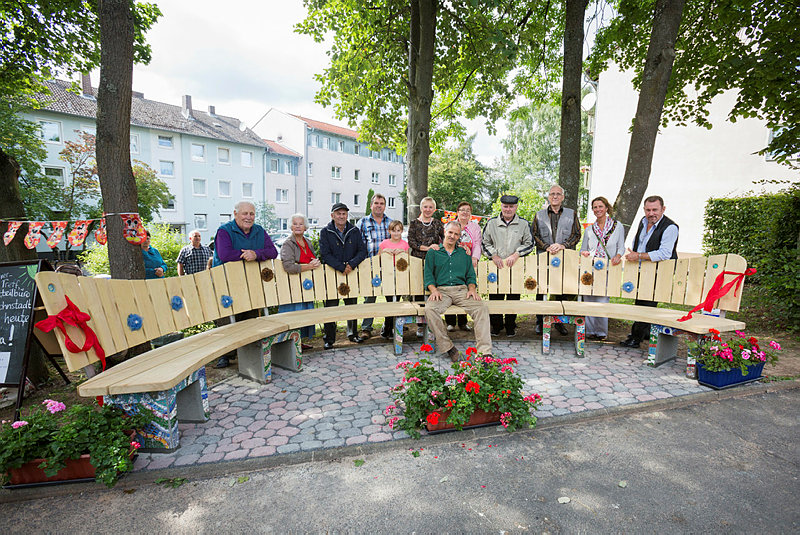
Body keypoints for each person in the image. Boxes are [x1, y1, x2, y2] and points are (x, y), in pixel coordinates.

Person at [212, 200, 278, 367]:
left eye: (252, 214)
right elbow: (225, 254)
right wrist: (245, 255)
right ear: (235, 214)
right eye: (245, 213)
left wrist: (255, 254)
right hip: (226, 283)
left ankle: (249, 352)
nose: (248, 217)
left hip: (250, 282)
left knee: (249, 318)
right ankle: (225, 354)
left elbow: (273, 251)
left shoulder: (259, 230)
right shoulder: (224, 231)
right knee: (228, 318)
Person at [424, 221, 493, 361]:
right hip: (441, 291)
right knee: (430, 309)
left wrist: (472, 289)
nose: (452, 236)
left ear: (459, 237)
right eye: (450, 232)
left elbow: (470, 275)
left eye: (456, 234)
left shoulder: (464, 253)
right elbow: (428, 275)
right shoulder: (433, 252)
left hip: (462, 290)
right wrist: (433, 290)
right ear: (445, 232)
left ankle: (485, 353)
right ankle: (448, 348)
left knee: (481, 308)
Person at [620, 195, 679, 349]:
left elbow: (665, 253)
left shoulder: (670, 227)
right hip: (643, 269)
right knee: (640, 301)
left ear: (663, 209)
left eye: (655, 210)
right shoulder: (643, 221)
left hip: (658, 271)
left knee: (646, 303)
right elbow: (639, 240)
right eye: (648, 210)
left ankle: (635, 338)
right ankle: (645, 333)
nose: (651, 213)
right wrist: (635, 251)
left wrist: (638, 256)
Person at [532, 184, 583, 335]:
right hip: (544, 258)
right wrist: (547, 246)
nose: (555, 196)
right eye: (552, 194)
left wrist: (563, 245)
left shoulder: (571, 213)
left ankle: (559, 322)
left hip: (564, 258)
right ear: (548, 196)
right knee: (541, 290)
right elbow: (534, 234)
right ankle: (540, 322)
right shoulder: (539, 214)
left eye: (558, 194)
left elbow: (577, 234)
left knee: (562, 289)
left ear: (562, 197)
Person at [482, 194, 534, 337]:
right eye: (505, 206)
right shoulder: (491, 223)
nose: (508, 209)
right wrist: (493, 255)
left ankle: (511, 326)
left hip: (515, 267)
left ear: (516, 207)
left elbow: (529, 243)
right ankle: (496, 326)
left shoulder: (523, 224)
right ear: (501, 206)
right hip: (496, 267)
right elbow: (484, 243)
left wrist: (516, 254)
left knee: (513, 297)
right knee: (495, 296)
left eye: (511, 206)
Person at [319, 202, 368, 350]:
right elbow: (325, 254)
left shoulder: (354, 230)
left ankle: (353, 334)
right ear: (332, 215)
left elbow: (362, 251)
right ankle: (329, 338)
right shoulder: (326, 232)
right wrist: (341, 267)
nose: (341, 216)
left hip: (351, 273)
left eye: (344, 213)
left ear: (347, 215)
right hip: (333, 273)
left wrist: (351, 265)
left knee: (352, 305)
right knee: (331, 307)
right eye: (338, 213)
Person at [580, 196, 626, 340]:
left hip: (608, 267)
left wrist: (618, 256)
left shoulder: (617, 226)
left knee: (602, 299)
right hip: (591, 267)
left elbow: (621, 246)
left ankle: (601, 332)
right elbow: (583, 248)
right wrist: (584, 253)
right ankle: (589, 331)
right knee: (588, 298)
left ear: (607, 208)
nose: (598, 209)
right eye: (595, 207)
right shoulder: (590, 229)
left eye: (600, 206)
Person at [279, 213, 322, 350]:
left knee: (305, 313)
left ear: (305, 227)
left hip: (306, 286)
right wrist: (310, 266)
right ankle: (289, 344)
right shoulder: (288, 244)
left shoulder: (308, 242)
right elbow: (288, 266)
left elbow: (311, 258)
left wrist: (315, 261)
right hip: (293, 286)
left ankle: (299, 342)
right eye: (295, 224)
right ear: (291, 227)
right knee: (294, 314)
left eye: (301, 224)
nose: (298, 226)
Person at [408, 196, 444, 337]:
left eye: (430, 207)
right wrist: (427, 248)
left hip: (433, 262)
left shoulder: (437, 223)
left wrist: (438, 247)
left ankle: (431, 323)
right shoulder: (414, 223)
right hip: (417, 260)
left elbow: (446, 239)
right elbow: (411, 242)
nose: (428, 209)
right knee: (418, 292)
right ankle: (420, 325)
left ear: (434, 209)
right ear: (421, 208)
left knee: (431, 290)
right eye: (425, 207)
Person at [357, 193, 392, 340]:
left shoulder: (391, 222)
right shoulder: (362, 222)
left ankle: (389, 327)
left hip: (388, 266)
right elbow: (358, 245)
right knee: (369, 297)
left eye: (381, 203)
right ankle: (366, 328)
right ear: (371, 205)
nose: (379, 206)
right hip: (370, 266)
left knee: (391, 297)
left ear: (385, 206)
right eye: (376, 203)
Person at [446, 201, 482, 332]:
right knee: (452, 288)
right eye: (462, 210)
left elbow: (477, 243)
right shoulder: (450, 225)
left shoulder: (475, 227)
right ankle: (450, 322)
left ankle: (462, 321)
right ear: (457, 212)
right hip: (453, 261)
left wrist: (474, 257)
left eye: (468, 210)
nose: (465, 212)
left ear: (471, 213)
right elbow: (446, 241)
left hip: (468, 262)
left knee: (465, 289)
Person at [379, 220, 410, 339]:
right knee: (390, 303)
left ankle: (393, 328)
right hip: (388, 277)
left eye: (398, 230)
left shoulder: (404, 244)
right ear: (389, 231)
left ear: (402, 231)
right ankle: (386, 329)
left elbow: (407, 260)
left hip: (400, 277)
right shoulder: (384, 243)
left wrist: (402, 252)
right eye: (393, 230)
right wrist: (385, 252)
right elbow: (379, 259)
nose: (396, 233)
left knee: (397, 303)